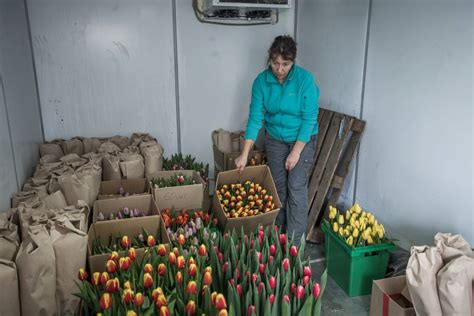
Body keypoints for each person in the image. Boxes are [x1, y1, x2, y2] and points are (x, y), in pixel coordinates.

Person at [234, 35, 319, 245]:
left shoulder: (305, 81)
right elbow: (255, 119)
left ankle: (294, 245)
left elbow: (309, 120)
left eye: (285, 64)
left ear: (293, 62)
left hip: (302, 138)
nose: (280, 69)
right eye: (275, 63)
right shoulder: (261, 82)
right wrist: (244, 155)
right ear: (270, 59)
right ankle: (278, 239)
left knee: (296, 188)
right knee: (279, 188)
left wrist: (296, 152)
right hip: (274, 139)